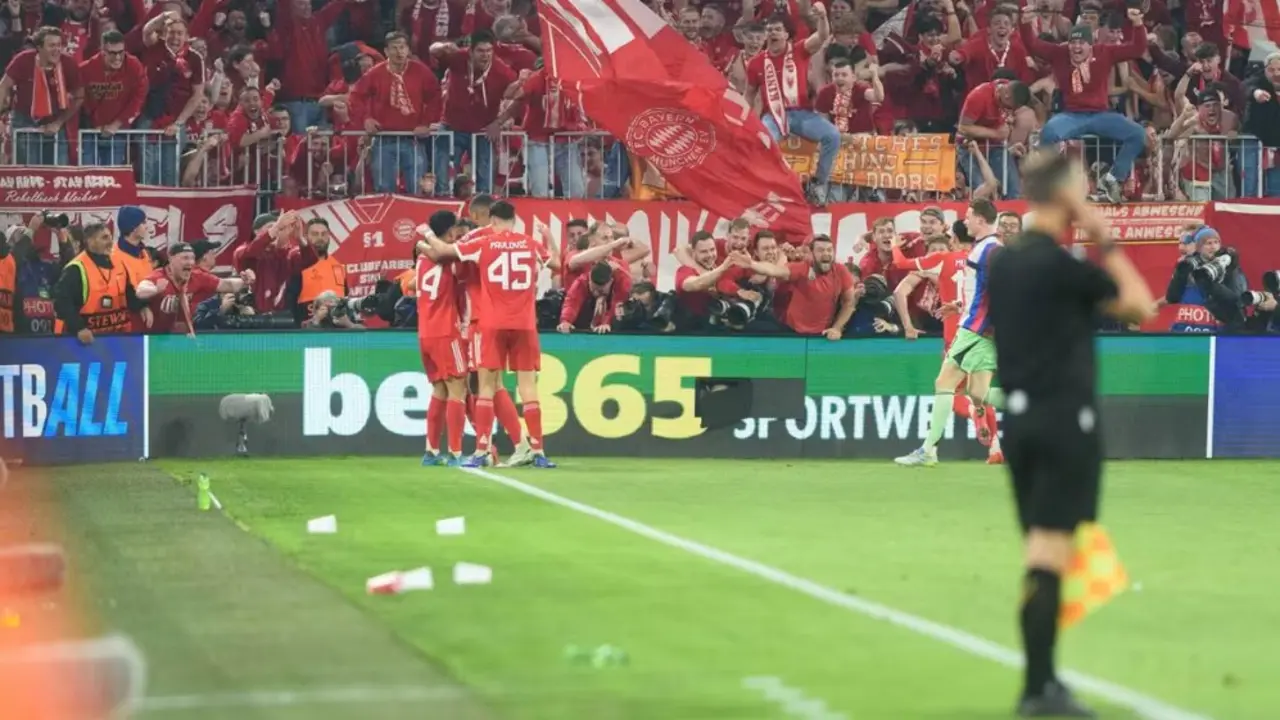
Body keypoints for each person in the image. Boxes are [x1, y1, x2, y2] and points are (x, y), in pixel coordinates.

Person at [986, 149, 1154, 717]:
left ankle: (1041, 684)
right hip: (1063, 422)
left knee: (1042, 551)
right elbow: (1139, 304)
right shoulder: (1059, 267)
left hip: (1021, 422)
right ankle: (1040, 689)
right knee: (1050, 554)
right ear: (1066, 196)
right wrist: (1105, 237)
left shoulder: (1004, 262)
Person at [424, 200, 555, 469]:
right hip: (519, 321)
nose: (460, 233)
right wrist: (548, 236)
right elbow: (558, 262)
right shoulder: (524, 241)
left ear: (485, 216)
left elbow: (443, 254)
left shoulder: (479, 240)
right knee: (502, 385)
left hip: (483, 320)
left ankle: (489, 447)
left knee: (486, 385)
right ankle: (528, 446)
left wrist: (423, 238)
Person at [896, 199, 1003, 466]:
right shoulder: (990, 248)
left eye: (968, 217)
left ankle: (929, 451)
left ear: (980, 219)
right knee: (979, 393)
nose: (965, 221)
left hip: (974, 331)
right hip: (982, 328)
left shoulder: (985, 251)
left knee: (944, 384)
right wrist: (959, 304)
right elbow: (986, 291)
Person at [414, 211, 469, 467]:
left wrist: (422, 241)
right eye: (455, 228)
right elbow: (443, 253)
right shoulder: (448, 256)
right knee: (458, 388)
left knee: (439, 389)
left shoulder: (421, 258)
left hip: (425, 332)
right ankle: (456, 453)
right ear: (448, 232)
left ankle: (431, 451)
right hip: (446, 331)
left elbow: (432, 251)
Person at [52, 222, 147, 344]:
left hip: (116, 340)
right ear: (90, 241)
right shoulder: (76, 268)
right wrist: (79, 328)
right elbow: (62, 302)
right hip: (80, 342)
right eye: (104, 238)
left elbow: (128, 292)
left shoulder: (119, 262)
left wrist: (142, 306)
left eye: (110, 237)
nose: (110, 242)